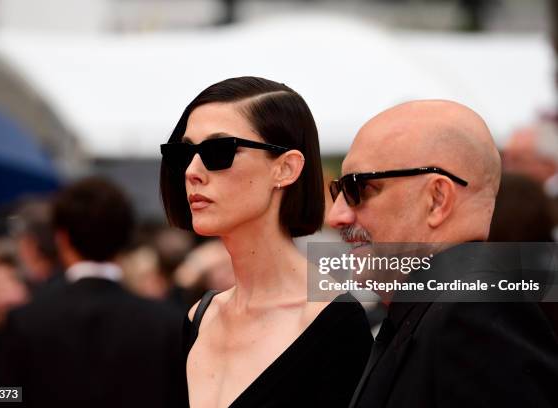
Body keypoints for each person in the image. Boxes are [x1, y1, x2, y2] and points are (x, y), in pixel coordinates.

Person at [326, 100, 558, 407]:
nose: (336, 216)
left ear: (437, 199)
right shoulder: (443, 306)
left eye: (358, 188)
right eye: (336, 191)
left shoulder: (473, 313)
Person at [160, 76, 372, 408]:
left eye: (219, 151)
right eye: (184, 153)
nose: (192, 170)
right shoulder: (201, 317)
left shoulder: (334, 323)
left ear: (286, 168)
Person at [0, 177, 187, 407]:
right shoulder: (168, 324)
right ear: (125, 238)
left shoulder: (25, 321)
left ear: (62, 239)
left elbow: (3, 394)